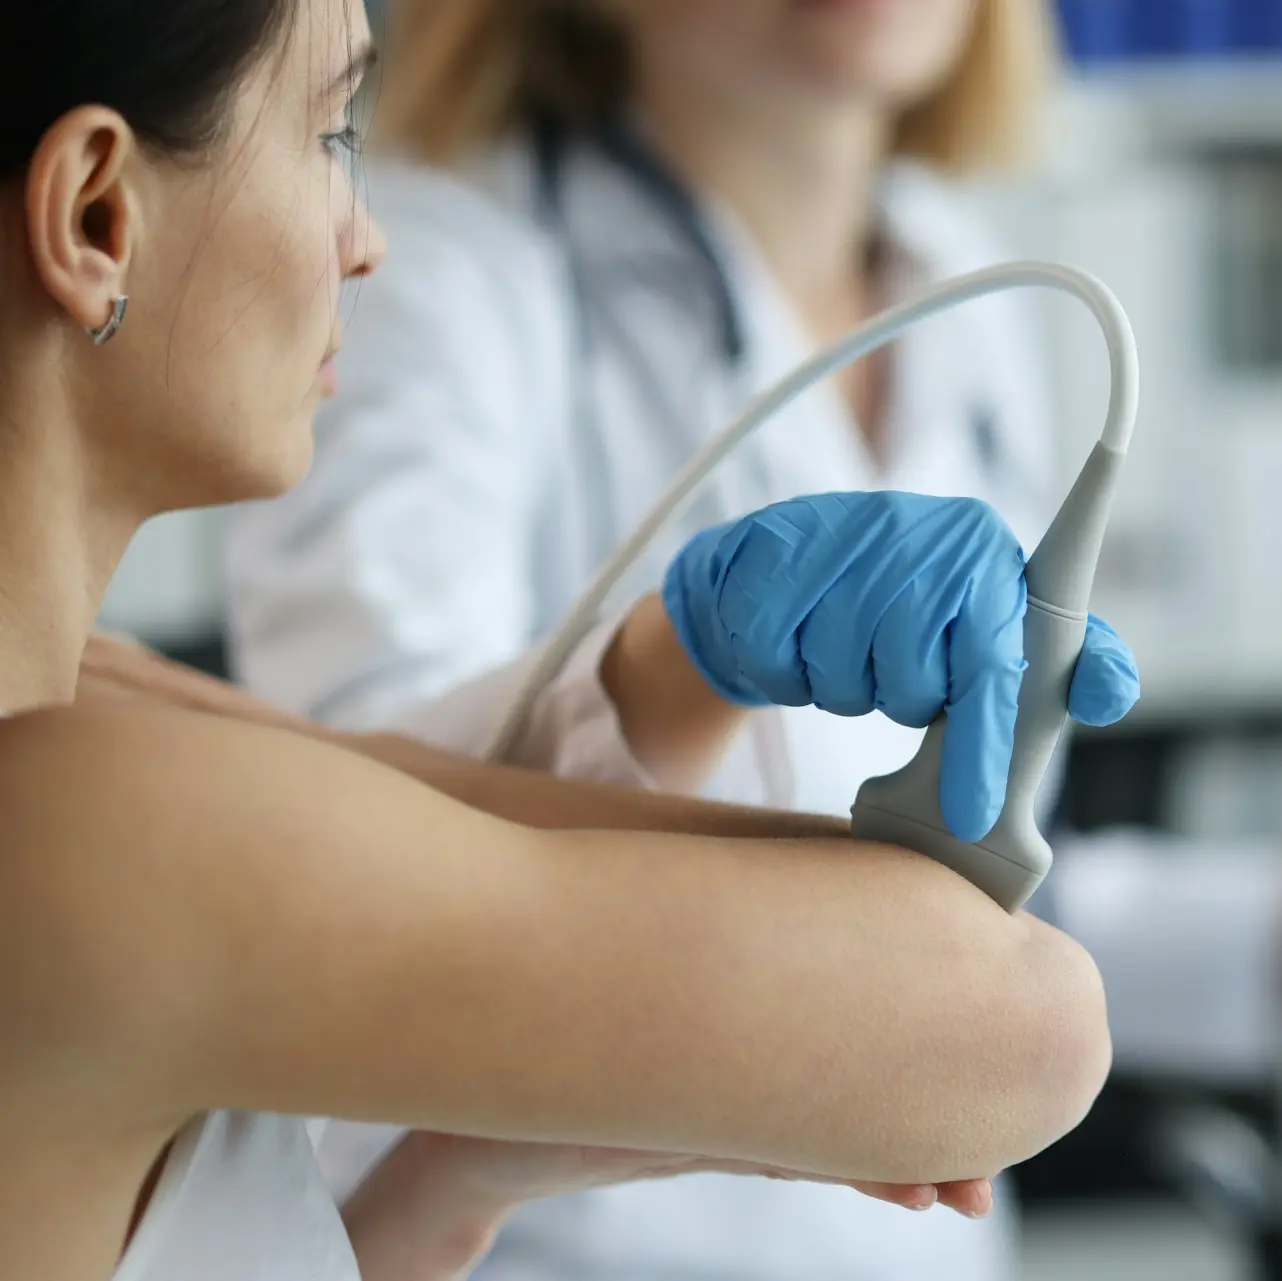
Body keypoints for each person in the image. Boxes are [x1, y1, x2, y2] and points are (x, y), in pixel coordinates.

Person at [0, 1, 1139, 1278]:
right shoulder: (90, 811)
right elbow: (1012, 1024)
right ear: (98, 216)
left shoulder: (106, 706)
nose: (369, 240)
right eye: (330, 135)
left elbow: (424, 818)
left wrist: (458, 1180)